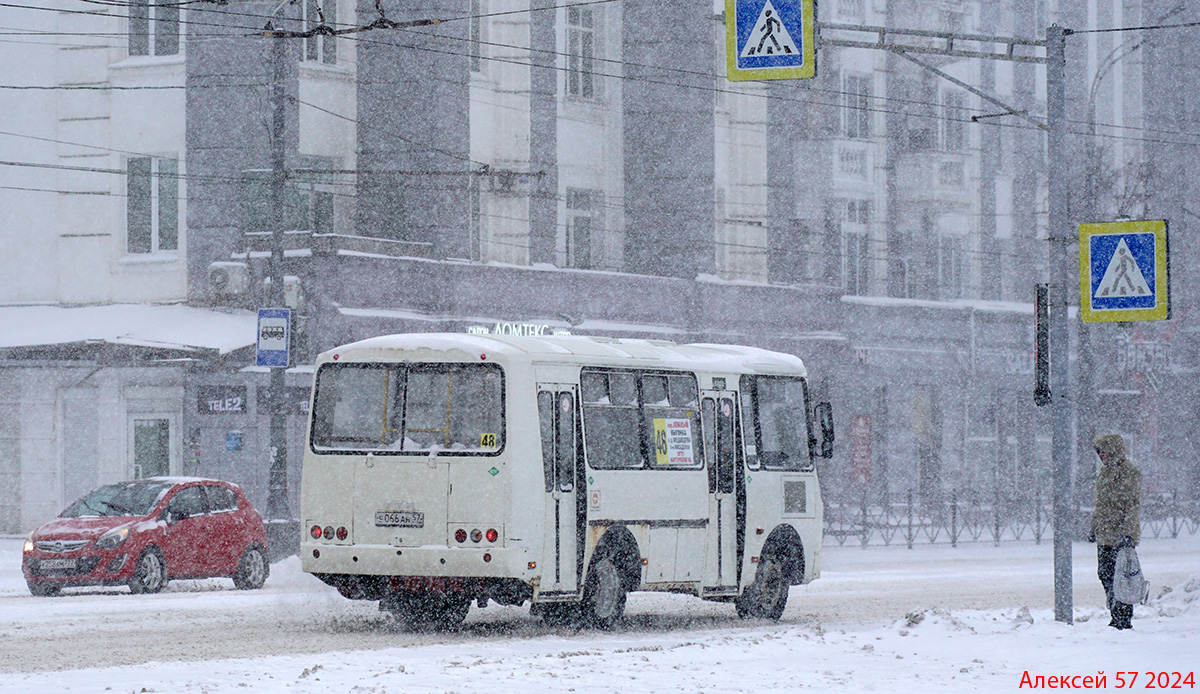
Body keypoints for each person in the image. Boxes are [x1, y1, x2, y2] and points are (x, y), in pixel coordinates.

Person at [1089, 433, 1142, 630]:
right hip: (1104, 533)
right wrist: (1094, 526)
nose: (1102, 454)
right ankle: (1115, 612)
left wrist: (1128, 532)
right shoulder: (1104, 472)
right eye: (1099, 451)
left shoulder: (1129, 472)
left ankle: (1122, 618)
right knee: (1104, 574)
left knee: (1122, 577)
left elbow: (1132, 504)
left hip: (1120, 535)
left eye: (1104, 450)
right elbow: (1101, 503)